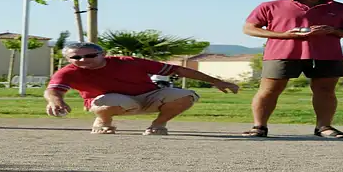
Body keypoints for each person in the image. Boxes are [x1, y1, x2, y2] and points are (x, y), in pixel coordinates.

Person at [242, 0, 343, 138]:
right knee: (269, 90)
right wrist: (283, 35)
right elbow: (249, 29)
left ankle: (324, 127)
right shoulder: (271, 6)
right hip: (281, 54)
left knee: (326, 91)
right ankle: (259, 126)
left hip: (327, 55)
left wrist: (333, 30)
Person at [45, 42, 239, 135]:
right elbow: (53, 89)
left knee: (186, 95)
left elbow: (177, 69)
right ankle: (104, 122)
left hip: (148, 96)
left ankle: (158, 125)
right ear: (69, 59)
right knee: (108, 100)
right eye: (76, 57)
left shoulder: (128, 62)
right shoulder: (68, 71)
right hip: (111, 101)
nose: (83, 60)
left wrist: (217, 81)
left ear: (102, 54)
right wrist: (56, 101)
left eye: (89, 55)